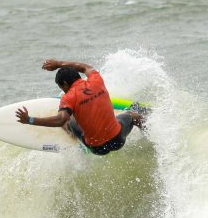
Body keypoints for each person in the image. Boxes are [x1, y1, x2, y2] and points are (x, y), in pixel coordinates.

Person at [15, 59, 144, 155]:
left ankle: (78, 144)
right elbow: (84, 67)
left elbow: (60, 119)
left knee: (69, 120)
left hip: (97, 148)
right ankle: (150, 134)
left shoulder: (69, 97)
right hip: (118, 140)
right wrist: (58, 64)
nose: (63, 91)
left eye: (62, 88)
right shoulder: (96, 80)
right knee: (133, 115)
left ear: (65, 84)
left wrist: (30, 120)